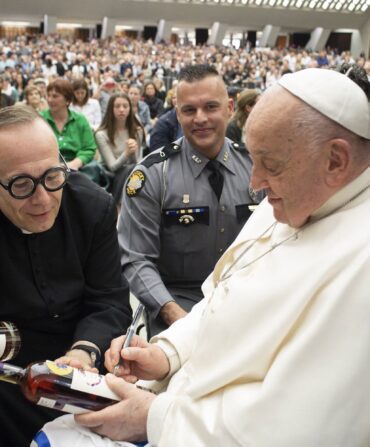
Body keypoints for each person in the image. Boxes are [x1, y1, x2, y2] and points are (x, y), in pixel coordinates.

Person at [40, 63, 370, 447]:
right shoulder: (290, 194)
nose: (255, 182)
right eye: (187, 110)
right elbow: (220, 297)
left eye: (271, 166)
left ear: (335, 161)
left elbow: (296, 428)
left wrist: (155, 417)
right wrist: (167, 352)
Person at [0, 106, 132, 446]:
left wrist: (82, 353)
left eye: (53, 176)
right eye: (21, 184)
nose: (43, 199)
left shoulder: (93, 206)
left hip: (79, 364)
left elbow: (109, 300)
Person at [119, 64, 259, 337]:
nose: (200, 118)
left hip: (247, 299)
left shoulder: (256, 167)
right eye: (189, 110)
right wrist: (176, 315)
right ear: (176, 112)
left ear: (229, 108)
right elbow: (136, 259)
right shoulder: (151, 176)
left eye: (210, 107)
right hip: (177, 302)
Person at [95, 93, 145, 206]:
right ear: (110, 109)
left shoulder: (138, 131)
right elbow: (112, 166)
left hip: (132, 174)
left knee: (133, 169)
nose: (121, 110)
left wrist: (132, 152)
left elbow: (137, 163)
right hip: (108, 175)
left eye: (125, 106)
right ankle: (121, 207)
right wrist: (127, 153)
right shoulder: (101, 134)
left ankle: (122, 207)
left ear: (130, 109)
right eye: (117, 106)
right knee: (130, 170)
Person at [40, 78, 97, 171]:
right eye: (48, 95)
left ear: (67, 99)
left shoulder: (80, 120)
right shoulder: (39, 120)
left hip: (76, 169)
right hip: (47, 170)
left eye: (55, 96)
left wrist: (76, 163)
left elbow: (89, 148)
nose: (50, 100)